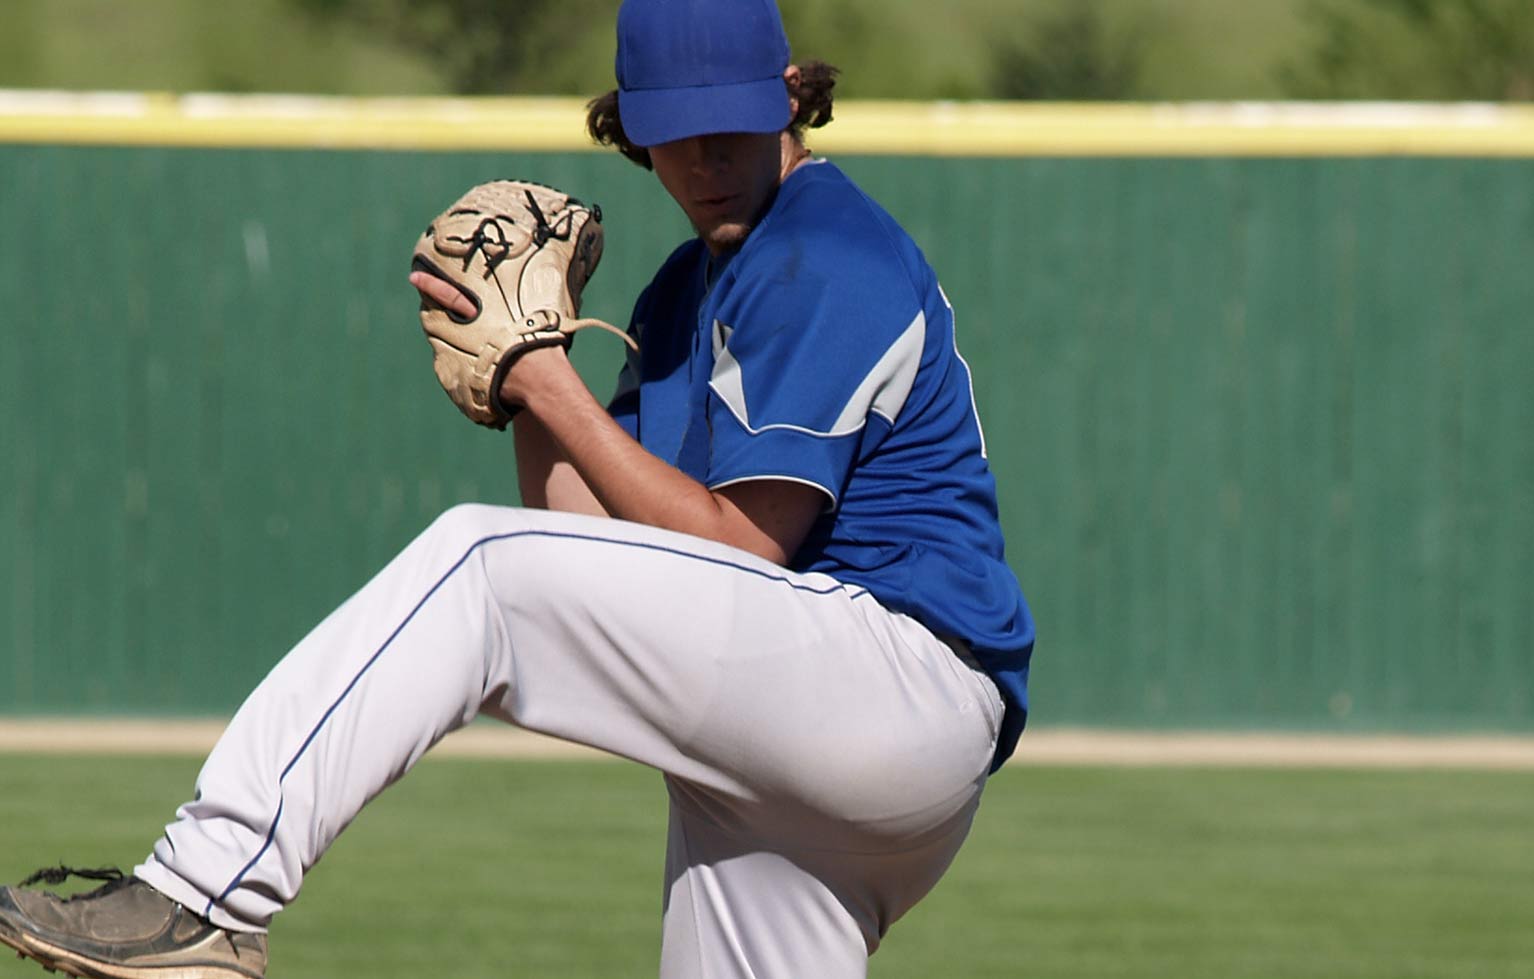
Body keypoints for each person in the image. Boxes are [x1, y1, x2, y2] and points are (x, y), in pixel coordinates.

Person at [0, 0, 1033, 976]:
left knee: (477, 565)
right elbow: (587, 538)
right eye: (679, 135)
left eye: (732, 128)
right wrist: (523, 375)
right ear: (633, 133)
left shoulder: (824, 247)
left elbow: (742, 545)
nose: (707, 162)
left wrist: (551, 379)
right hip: (797, 748)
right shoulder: (683, 292)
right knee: (505, 573)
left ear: (791, 99)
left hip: (896, 678)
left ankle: (201, 893)